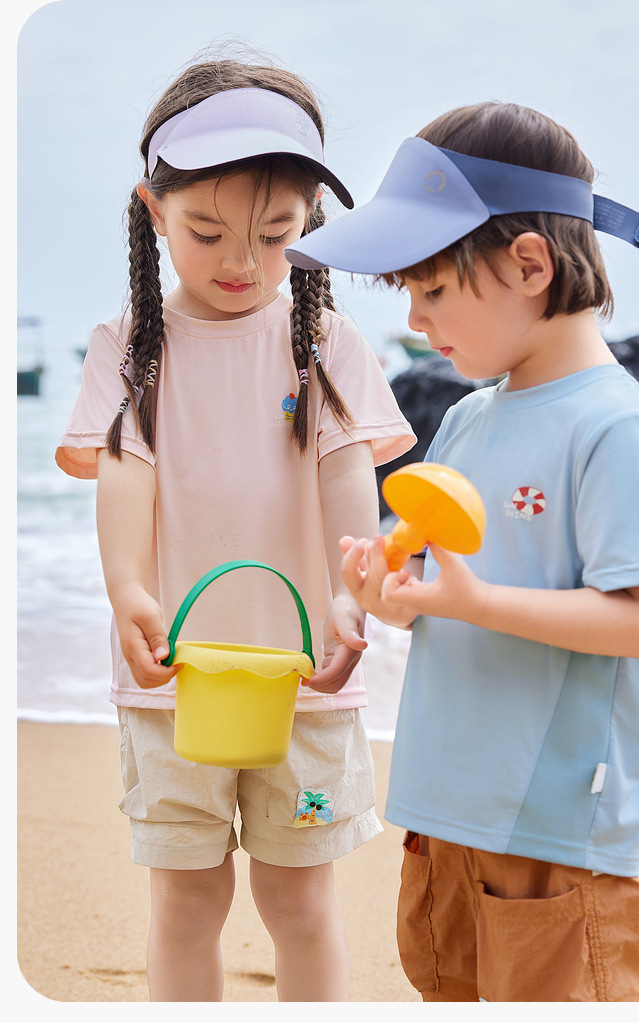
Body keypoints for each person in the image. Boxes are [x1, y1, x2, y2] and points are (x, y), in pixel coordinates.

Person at [285, 101, 639, 1002]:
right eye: (408, 294)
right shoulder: (469, 417)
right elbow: (441, 586)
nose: (415, 319)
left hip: (552, 828)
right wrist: (386, 595)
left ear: (529, 265)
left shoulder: (610, 425)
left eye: (433, 290)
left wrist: (473, 603)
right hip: (444, 810)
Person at [55, 56, 416, 1002]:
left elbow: (347, 472)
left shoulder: (326, 342)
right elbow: (126, 469)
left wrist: (348, 597)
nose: (242, 262)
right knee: (186, 901)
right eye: (207, 232)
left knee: (299, 903)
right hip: (174, 678)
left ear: (311, 220)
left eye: (276, 234)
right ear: (153, 208)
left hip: (304, 676)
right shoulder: (129, 343)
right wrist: (128, 591)